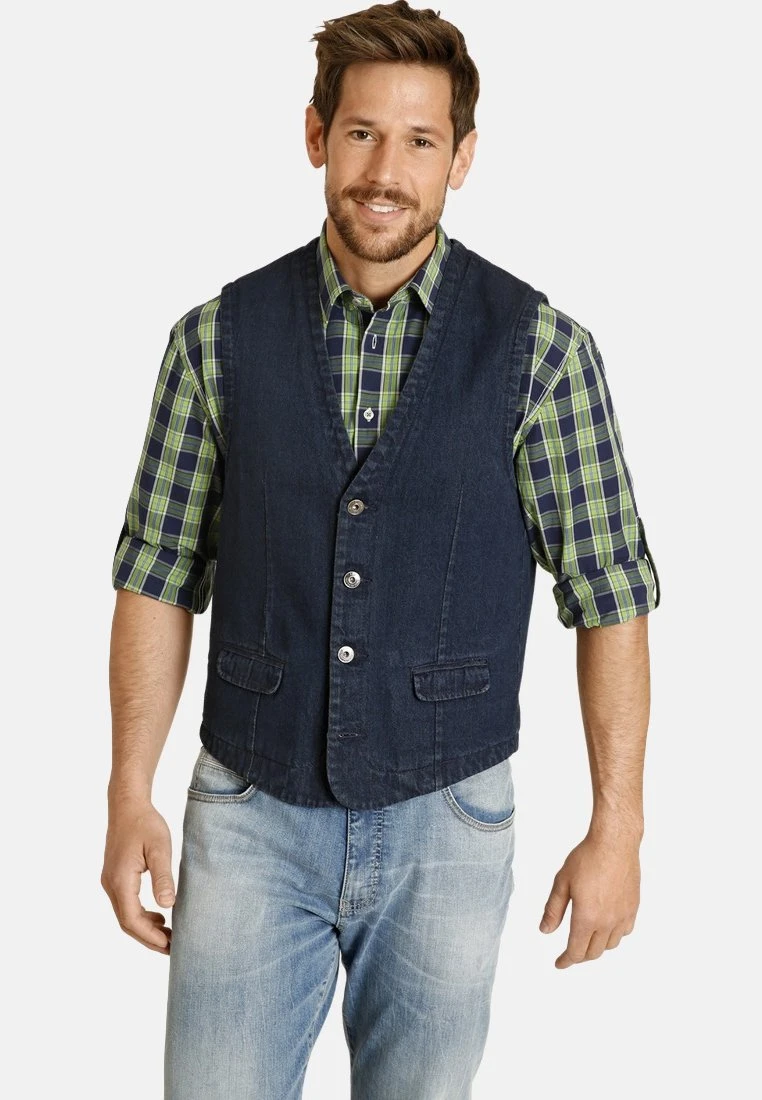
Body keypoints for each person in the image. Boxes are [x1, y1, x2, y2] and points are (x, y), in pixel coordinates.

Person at [101, 2, 661, 1096]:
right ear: (316, 134)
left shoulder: (543, 353)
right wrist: (129, 792)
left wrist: (619, 828)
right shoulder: (214, 341)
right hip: (249, 812)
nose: (385, 172)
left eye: (419, 140)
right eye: (361, 133)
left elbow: (611, 596)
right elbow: (157, 576)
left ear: (462, 157)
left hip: (451, 818)